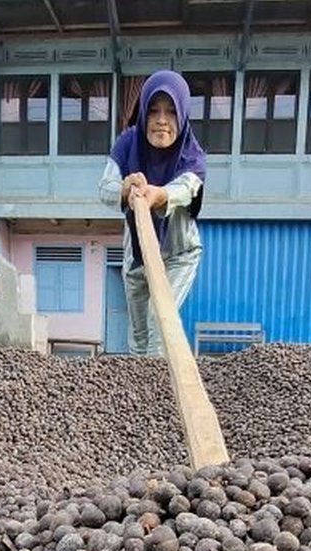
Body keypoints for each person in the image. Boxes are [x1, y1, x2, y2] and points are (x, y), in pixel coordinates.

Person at [99, 70, 207, 357]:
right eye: (154, 111)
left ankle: (164, 398)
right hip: (137, 257)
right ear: (143, 112)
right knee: (138, 338)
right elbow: (104, 189)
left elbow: (185, 189)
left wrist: (157, 195)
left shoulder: (192, 155)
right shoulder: (127, 143)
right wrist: (124, 189)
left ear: (183, 116)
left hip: (177, 255)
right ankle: (140, 399)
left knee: (159, 324)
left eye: (172, 112)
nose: (162, 120)